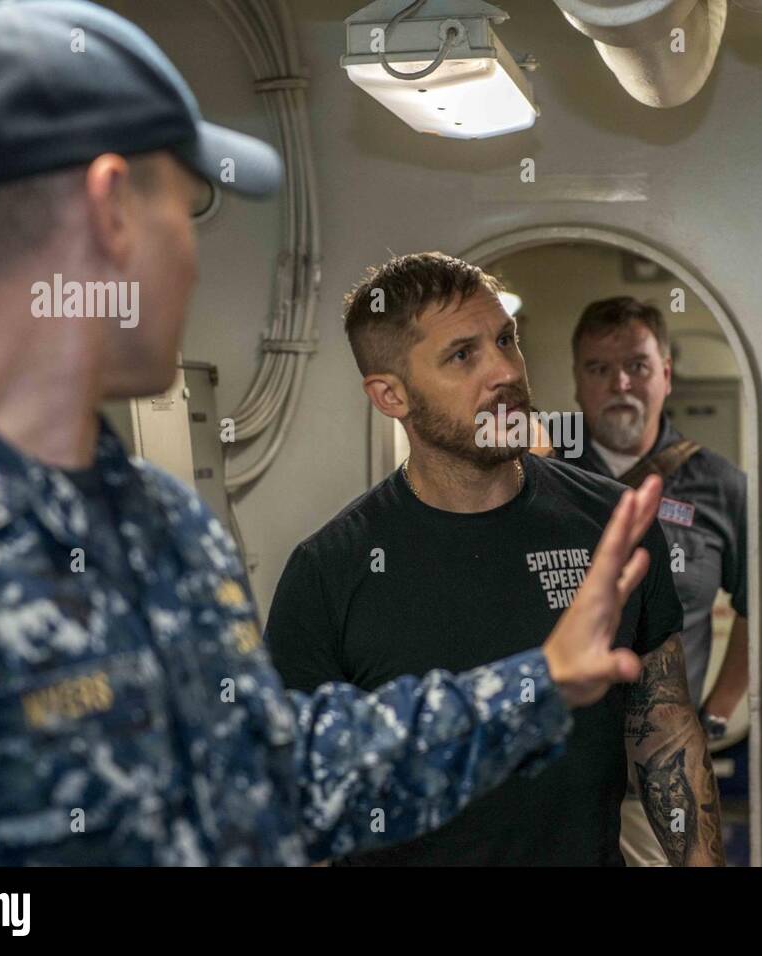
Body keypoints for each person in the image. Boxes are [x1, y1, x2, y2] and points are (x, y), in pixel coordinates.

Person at [0, 0, 663, 866]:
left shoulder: (160, 525)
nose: (192, 260)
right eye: (186, 209)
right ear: (108, 211)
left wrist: (539, 685)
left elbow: (268, 775)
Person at [265, 253, 724, 866]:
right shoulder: (328, 572)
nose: (505, 371)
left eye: (506, 340)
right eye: (463, 355)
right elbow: (295, 792)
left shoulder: (614, 524)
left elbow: (663, 727)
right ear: (390, 394)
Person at [566, 296, 750, 866]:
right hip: (554, 778)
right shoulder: (541, 480)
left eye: (637, 366)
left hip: (660, 786)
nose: (619, 382)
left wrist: (717, 710)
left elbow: (758, 606)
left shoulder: (722, 487)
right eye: (599, 368)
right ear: (577, 382)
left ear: (666, 375)